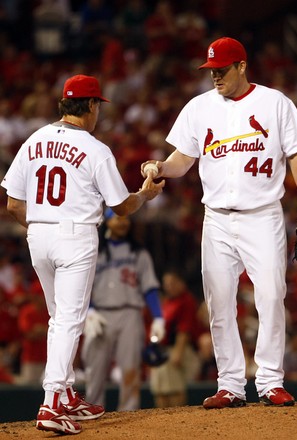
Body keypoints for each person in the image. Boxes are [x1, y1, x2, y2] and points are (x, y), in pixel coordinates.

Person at [141, 37, 297, 408]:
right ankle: (230, 384)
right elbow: (182, 159)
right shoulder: (199, 107)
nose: (215, 77)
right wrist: (160, 167)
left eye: (222, 70)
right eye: (211, 71)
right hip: (217, 219)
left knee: (271, 296)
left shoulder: (274, 103)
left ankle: (270, 380)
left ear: (242, 66)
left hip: (262, 214)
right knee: (219, 302)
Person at [1, 74, 164, 435]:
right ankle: (52, 401)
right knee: (69, 321)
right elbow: (120, 208)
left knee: (58, 317)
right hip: (74, 237)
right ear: (91, 106)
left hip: (38, 234)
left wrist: (44, 225)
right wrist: (145, 195)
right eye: (97, 106)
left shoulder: (34, 140)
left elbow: (13, 204)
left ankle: (68, 392)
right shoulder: (94, 148)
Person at [81, 208, 165, 411]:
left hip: (130, 314)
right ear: (107, 222)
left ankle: (129, 416)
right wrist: (89, 311)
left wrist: (158, 317)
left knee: (131, 368)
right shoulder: (93, 250)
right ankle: (93, 411)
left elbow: (150, 287)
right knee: (95, 370)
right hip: (100, 314)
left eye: (126, 218)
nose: (123, 222)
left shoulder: (139, 252)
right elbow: (82, 285)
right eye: (118, 218)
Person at [149, 269, 201, 408]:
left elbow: (185, 329)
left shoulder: (186, 300)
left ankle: (176, 421)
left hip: (176, 349)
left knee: (173, 389)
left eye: (172, 283)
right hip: (163, 350)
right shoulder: (167, 302)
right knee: (160, 390)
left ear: (181, 283)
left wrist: (178, 351)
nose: (168, 287)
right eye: (166, 284)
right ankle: (164, 422)